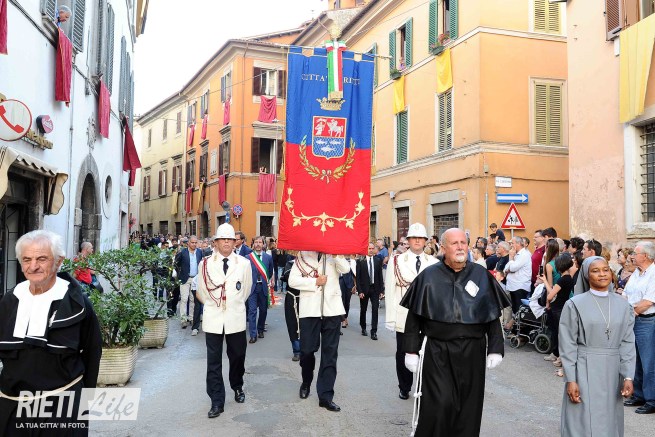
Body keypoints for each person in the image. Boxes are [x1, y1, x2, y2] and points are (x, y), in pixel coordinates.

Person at [400, 228, 510, 437]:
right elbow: (414, 318)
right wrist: (411, 351)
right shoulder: (428, 276)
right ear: (443, 248)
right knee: (439, 405)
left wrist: (495, 348)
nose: (460, 247)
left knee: (469, 407)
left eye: (463, 243)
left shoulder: (480, 275)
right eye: (454, 243)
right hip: (438, 352)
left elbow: (491, 315)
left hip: (473, 352)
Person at [0, 230, 102, 433]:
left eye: (41, 259)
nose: (33, 266)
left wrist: (84, 402)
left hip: (62, 407)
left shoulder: (77, 304)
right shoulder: (9, 300)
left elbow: (92, 352)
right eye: (27, 259)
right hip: (12, 406)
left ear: (58, 261)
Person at [559, 257, 636, 435]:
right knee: (582, 420)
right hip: (584, 368)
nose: (602, 274)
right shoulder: (574, 304)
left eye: (605, 269)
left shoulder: (623, 305)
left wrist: (628, 376)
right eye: (595, 271)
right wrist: (571, 379)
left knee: (609, 421)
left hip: (612, 371)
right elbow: (567, 344)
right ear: (587, 275)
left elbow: (627, 342)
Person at [195, 223, 253, 419]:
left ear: (235, 242)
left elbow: (246, 290)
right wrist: (214, 305)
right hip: (213, 317)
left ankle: (237, 385)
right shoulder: (205, 264)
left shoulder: (244, 263)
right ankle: (216, 400)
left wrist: (233, 304)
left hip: (235, 317)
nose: (227, 242)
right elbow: (201, 291)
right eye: (223, 239)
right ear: (216, 242)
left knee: (238, 356)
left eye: (230, 239)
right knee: (213, 361)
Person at [289, 251, 350, 412]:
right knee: (307, 351)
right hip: (310, 310)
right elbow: (292, 280)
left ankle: (325, 396)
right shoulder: (303, 255)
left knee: (330, 354)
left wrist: (337, 255)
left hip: (332, 310)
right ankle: (306, 381)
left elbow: (346, 269)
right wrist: (314, 282)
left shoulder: (334, 255)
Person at [385, 223, 437, 401]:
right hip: (404, 315)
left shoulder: (434, 263)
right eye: (413, 238)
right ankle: (404, 386)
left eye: (420, 238)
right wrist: (390, 318)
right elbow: (390, 290)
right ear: (408, 240)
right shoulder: (396, 261)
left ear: (425, 241)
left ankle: (423, 387)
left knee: (426, 353)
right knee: (403, 352)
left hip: (427, 315)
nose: (417, 241)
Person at [622, 241, 655, 414]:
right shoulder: (637, 273)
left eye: (636, 253)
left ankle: (652, 399)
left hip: (647, 321)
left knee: (649, 361)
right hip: (633, 319)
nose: (632, 256)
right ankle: (638, 394)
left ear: (646, 256)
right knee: (635, 359)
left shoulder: (653, 273)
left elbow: (648, 302)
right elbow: (626, 293)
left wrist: (630, 313)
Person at [539, 252, 575, 372]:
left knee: (558, 333)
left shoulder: (562, 280)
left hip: (557, 309)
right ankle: (557, 354)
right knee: (559, 333)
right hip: (562, 307)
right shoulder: (569, 278)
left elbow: (551, 295)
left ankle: (559, 356)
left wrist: (545, 282)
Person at [246, 236, 274, 343]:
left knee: (263, 310)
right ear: (253, 244)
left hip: (263, 287)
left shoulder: (268, 258)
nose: (258, 244)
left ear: (263, 244)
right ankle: (253, 334)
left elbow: (270, 272)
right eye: (256, 242)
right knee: (252, 311)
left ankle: (260, 329)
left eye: (260, 242)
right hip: (252, 288)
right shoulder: (248, 257)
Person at [356, 243, 384, 340]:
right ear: (366, 249)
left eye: (372, 248)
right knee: (363, 309)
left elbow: (380, 276)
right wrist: (359, 291)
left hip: (375, 289)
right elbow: (358, 278)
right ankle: (363, 327)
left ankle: (374, 331)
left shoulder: (377, 260)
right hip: (364, 289)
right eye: (369, 249)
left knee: (375, 309)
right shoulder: (360, 261)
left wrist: (381, 290)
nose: (371, 250)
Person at [174, 235, 203, 329]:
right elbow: (176, 264)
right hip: (185, 279)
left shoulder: (199, 252)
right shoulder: (183, 252)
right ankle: (183, 319)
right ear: (188, 243)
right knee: (184, 299)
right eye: (192, 242)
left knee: (193, 299)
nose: (194, 244)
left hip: (196, 279)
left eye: (196, 242)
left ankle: (191, 318)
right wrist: (179, 275)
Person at [280, 252, 300, 360]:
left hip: (307, 298)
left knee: (306, 324)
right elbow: (287, 277)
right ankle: (296, 350)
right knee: (292, 324)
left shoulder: (313, 265)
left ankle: (306, 349)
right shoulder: (290, 263)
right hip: (292, 297)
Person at [339, 256, 356, 329]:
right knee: (341, 301)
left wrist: (355, 285)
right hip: (340, 281)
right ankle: (342, 319)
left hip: (349, 282)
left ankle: (345, 317)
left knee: (347, 302)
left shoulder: (353, 261)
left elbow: (355, 274)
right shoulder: (338, 259)